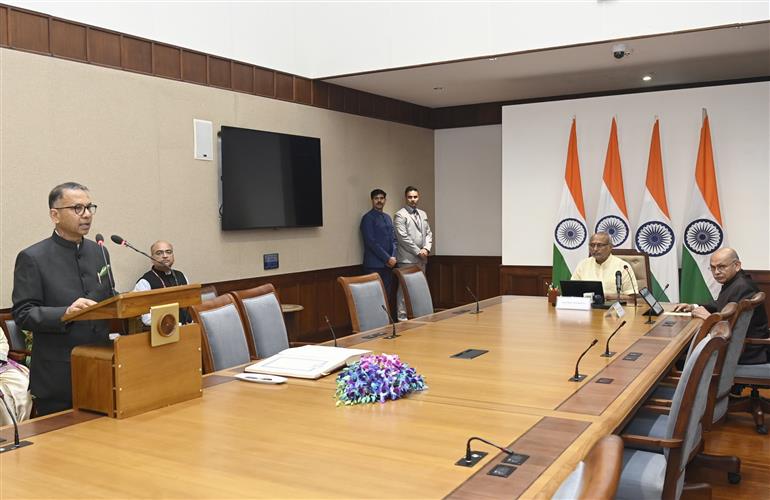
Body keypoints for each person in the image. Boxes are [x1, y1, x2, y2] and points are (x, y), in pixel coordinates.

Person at [12, 182, 112, 416]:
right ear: (54, 215)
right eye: (78, 208)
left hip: (101, 365)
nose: (87, 214)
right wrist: (64, 313)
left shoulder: (99, 252)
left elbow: (108, 296)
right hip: (59, 374)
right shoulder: (32, 257)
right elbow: (23, 314)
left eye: (90, 207)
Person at [674, 247, 769, 365]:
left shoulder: (742, 287)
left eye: (721, 267)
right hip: (739, 346)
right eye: (713, 268)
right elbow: (720, 304)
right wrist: (694, 306)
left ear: (737, 265)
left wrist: (709, 317)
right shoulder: (735, 281)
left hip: (745, 351)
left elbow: (731, 328)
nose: (716, 272)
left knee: (677, 358)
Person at [394, 186, 433, 320]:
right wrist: (418, 252)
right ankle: (402, 318)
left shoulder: (423, 214)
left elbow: (428, 233)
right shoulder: (400, 214)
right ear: (406, 198)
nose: (413, 200)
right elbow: (402, 238)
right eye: (410, 197)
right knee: (404, 291)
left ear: (418, 197)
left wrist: (426, 249)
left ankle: (419, 317)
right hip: (407, 260)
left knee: (419, 289)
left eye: (415, 197)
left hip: (422, 259)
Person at [133, 240, 191, 326]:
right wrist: (174, 325)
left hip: (189, 327)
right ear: (152, 258)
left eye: (168, 252)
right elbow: (146, 318)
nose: (165, 256)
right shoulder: (145, 282)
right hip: (164, 332)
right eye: (159, 253)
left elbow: (191, 304)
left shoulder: (181, 276)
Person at [571, 232, 638, 300]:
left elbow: (632, 298)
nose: (595, 249)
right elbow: (571, 291)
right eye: (592, 245)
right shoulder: (583, 265)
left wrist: (608, 297)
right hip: (586, 307)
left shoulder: (623, 267)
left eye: (599, 245)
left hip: (614, 308)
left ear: (610, 247)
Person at [360, 189, 397, 292]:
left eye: (381, 198)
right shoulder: (367, 218)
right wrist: (387, 258)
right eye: (376, 198)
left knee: (387, 296)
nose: (379, 201)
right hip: (374, 266)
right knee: (374, 297)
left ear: (385, 200)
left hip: (388, 266)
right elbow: (371, 242)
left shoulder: (388, 217)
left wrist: (393, 257)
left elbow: (394, 240)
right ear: (372, 200)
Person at [0, 333, 32, 425]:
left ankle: (23, 427)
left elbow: (2, 342)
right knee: (3, 397)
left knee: (23, 383)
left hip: (2, 365)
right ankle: (8, 433)